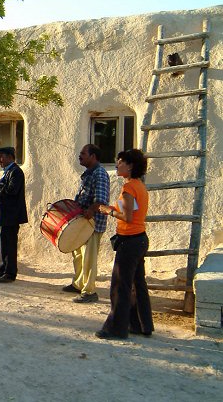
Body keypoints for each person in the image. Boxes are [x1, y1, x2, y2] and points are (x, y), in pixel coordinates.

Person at [96, 149, 153, 339]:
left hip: (129, 241)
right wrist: (112, 209)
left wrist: (108, 211)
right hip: (139, 239)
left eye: (120, 161)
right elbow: (131, 212)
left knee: (121, 286)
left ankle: (116, 328)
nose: (117, 164)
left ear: (130, 166)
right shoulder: (139, 186)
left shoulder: (129, 188)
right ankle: (141, 325)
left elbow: (127, 217)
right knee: (138, 284)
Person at [62, 144, 110, 303]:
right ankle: (78, 284)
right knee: (78, 254)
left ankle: (89, 291)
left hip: (92, 224)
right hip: (82, 222)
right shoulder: (89, 173)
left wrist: (89, 211)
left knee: (89, 257)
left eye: (83, 153)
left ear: (93, 156)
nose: (79, 156)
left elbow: (100, 201)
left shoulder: (100, 174)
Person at [0, 147, 28, 283]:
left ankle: (10, 273)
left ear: (10, 157)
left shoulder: (16, 172)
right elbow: (0, 190)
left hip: (10, 216)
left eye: (1, 157)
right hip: (2, 214)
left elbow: (11, 190)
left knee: (9, 244)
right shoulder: (6, 172)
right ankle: (2, 268)